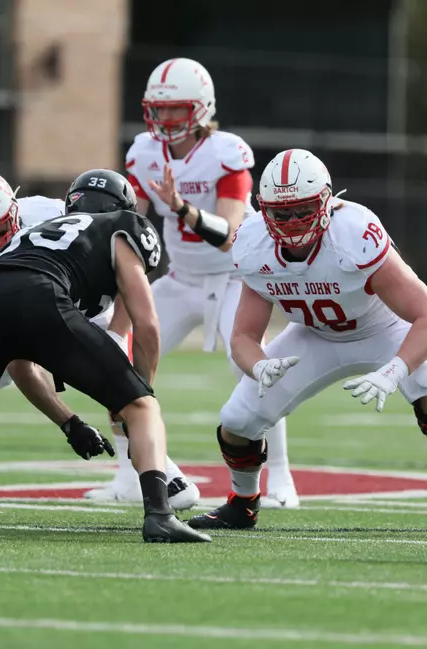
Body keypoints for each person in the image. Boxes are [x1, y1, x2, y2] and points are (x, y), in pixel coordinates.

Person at [0, 169, 210, 544]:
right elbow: (146, 324)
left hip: (2, 298)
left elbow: (4, 339)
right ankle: (159, 508)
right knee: (138, 404)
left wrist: (112, 346)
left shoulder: (43, 217)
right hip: (49, 297)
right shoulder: (122, 228)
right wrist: (135, 391)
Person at [185, 148, 427, 535]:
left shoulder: (354, 233)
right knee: (237, 421)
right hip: (315, 336)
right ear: (263, 209)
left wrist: (393, 371)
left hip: (384, 329)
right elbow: (242, 336)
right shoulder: (254, 243)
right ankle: (242, 504)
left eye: (302, 209)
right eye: (281, 213)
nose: (291, 222)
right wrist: (258, 364)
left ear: (326, 201)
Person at [119, 57, 299, 508]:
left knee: (254, 370)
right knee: (112, 356)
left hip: (235, 278)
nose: (164, 120)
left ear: (202, 108)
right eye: (158, 110)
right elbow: (128, 225)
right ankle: (128, 472)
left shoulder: (226, 153)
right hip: (180, 280)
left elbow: (232, 238)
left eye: (175, 109)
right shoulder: (143, 153)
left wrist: (181, 208)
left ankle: (280, 475)